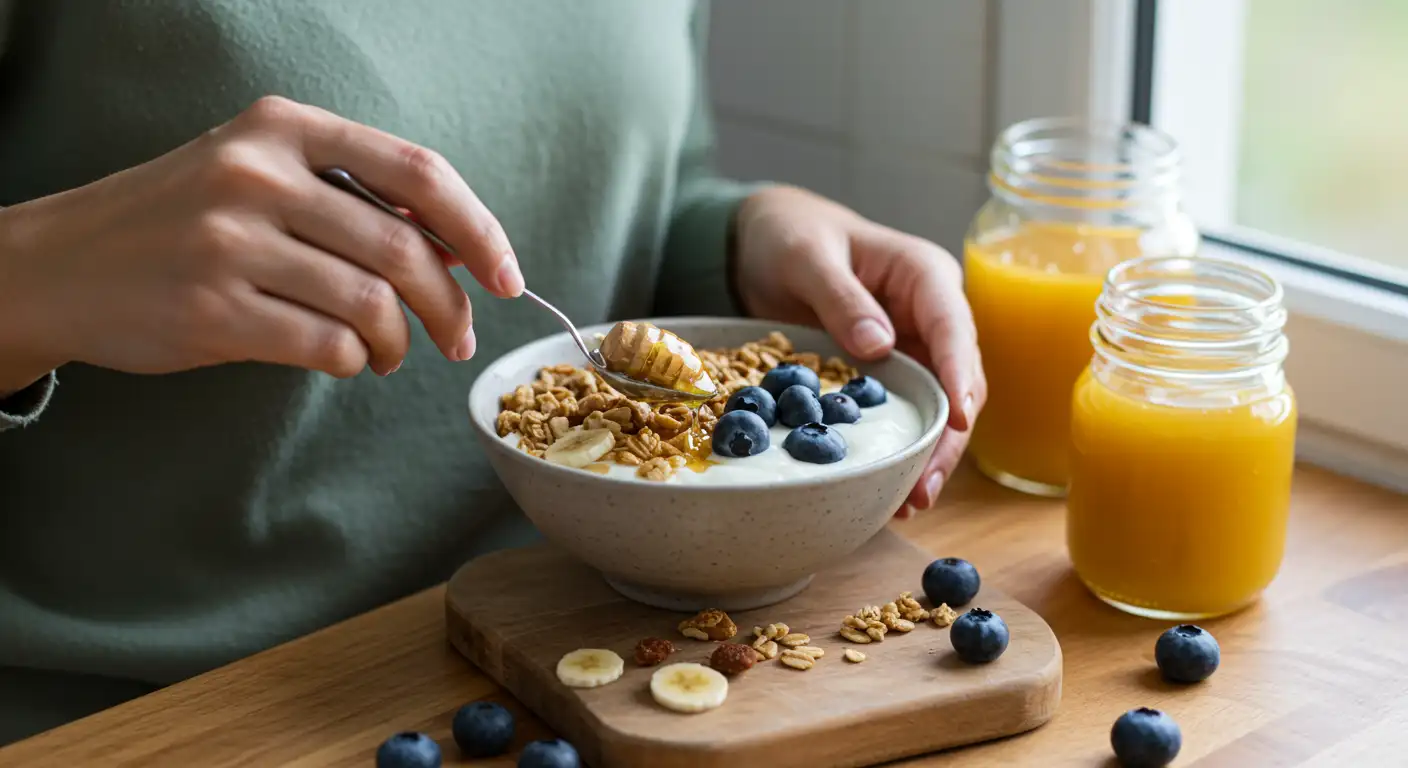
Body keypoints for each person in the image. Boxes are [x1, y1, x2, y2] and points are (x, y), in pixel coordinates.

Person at [0, 0, 985, 743]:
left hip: (574, 658)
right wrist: (34, 274)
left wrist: (737, 242)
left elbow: (644, 181)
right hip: (167, 719)